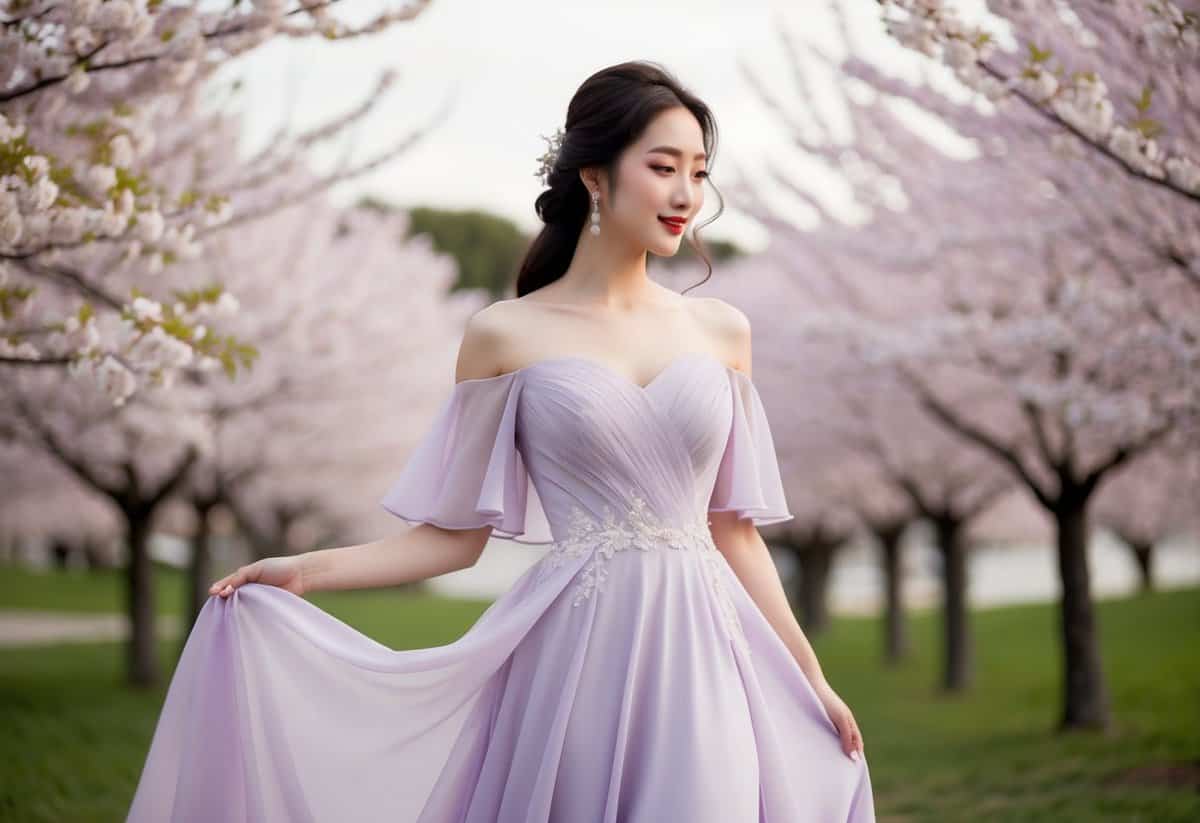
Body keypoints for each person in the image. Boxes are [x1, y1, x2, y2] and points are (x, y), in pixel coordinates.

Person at [126, 60, 875, 823]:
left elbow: (735, 530)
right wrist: (303, 571)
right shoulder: (504, 335)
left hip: (707, 653)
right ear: (595, 174)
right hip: (575, 659)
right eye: (663, 167)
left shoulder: (723, 331)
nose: (687, 195)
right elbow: (452, 540)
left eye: (699, 172)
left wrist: (810, 677)